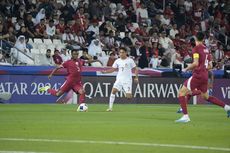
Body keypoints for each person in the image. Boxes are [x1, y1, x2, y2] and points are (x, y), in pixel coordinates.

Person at [176, 32, 230, 123]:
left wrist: (186, 68)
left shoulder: (196, 48)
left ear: (195, 38)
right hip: (205, 75)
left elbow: (195, 63)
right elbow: (210, 66)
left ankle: (185, 116)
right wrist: (201, 67)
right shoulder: (206, 49)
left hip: (198, 75)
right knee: (206, 96)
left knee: (181, 93)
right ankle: (227, 107)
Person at [101, 47, 139, 111]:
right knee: (113, 91)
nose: (121, 54)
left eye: (122, 52)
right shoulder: (117, 61)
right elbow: (113, 69)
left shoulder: (130, 60)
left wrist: (136, 77)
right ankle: (110, 108)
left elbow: (136, 69)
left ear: (126, 53)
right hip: (119, 79)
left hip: (127, 80)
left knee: (128, 97)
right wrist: (105, 72)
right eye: (120, 52)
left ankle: (124, 91)